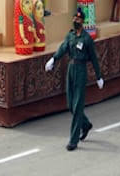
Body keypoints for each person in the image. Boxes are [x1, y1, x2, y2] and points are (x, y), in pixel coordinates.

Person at [44, 9, 105, 151]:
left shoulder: (87, 39)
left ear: (82, 22)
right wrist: (53, 59)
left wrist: (99, 77)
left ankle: (73, 140)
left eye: (78, 20)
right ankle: (86, 124)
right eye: (74, 19)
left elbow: (94, 59)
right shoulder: (70, 36)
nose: (75, 21)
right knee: (71, 104)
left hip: (81, 70)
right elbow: (63, 48)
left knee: (78, 106)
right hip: (71, 69)